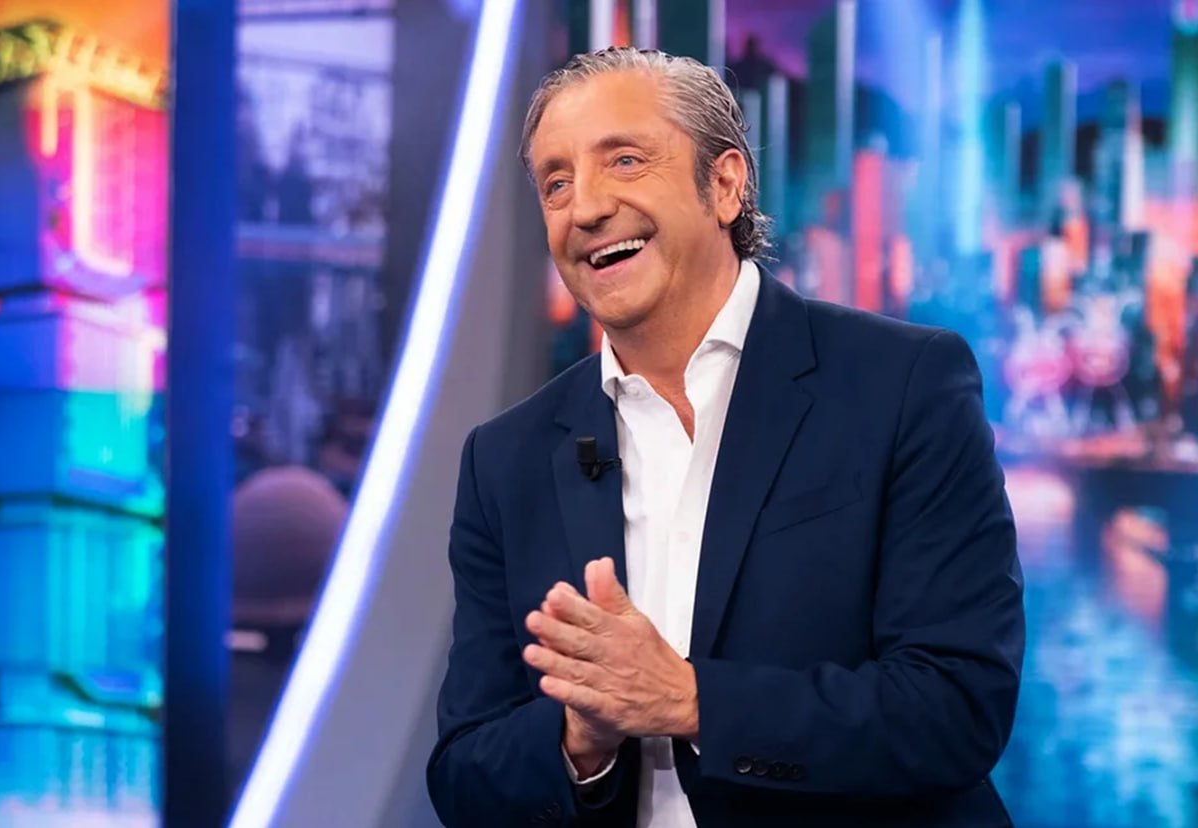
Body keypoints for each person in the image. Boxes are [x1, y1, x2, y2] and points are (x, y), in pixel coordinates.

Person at [426, 46, 1025, 828]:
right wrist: (578, 738)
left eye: (625, 161)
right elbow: (464, 774)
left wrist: (689, 700)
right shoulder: (505, 459)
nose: (586, 208)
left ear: (725, 184)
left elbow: (956, 707)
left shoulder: (903, 385)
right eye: (556, 182)